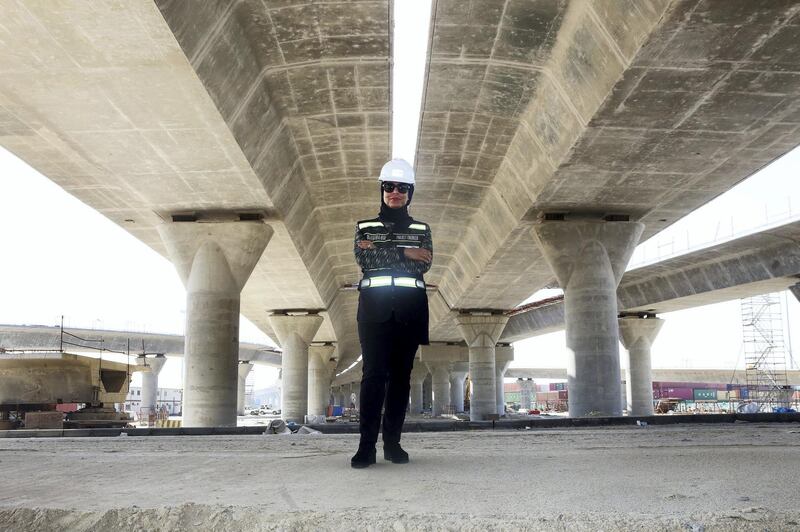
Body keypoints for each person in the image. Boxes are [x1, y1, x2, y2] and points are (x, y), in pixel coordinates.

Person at [350, 158, 433, 469]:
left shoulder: (422, 229)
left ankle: (393, 444)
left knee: (401, 379)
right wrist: (404, 252)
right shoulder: (364, 226)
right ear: (382, 190)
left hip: (410, 310)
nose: (394, 192)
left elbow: (423, 263)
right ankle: (366, 447)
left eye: (401, 188)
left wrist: (385, 251)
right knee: (373, 376)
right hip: (374, 310)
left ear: (409, 193)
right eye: (389, 187)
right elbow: (365, 260)